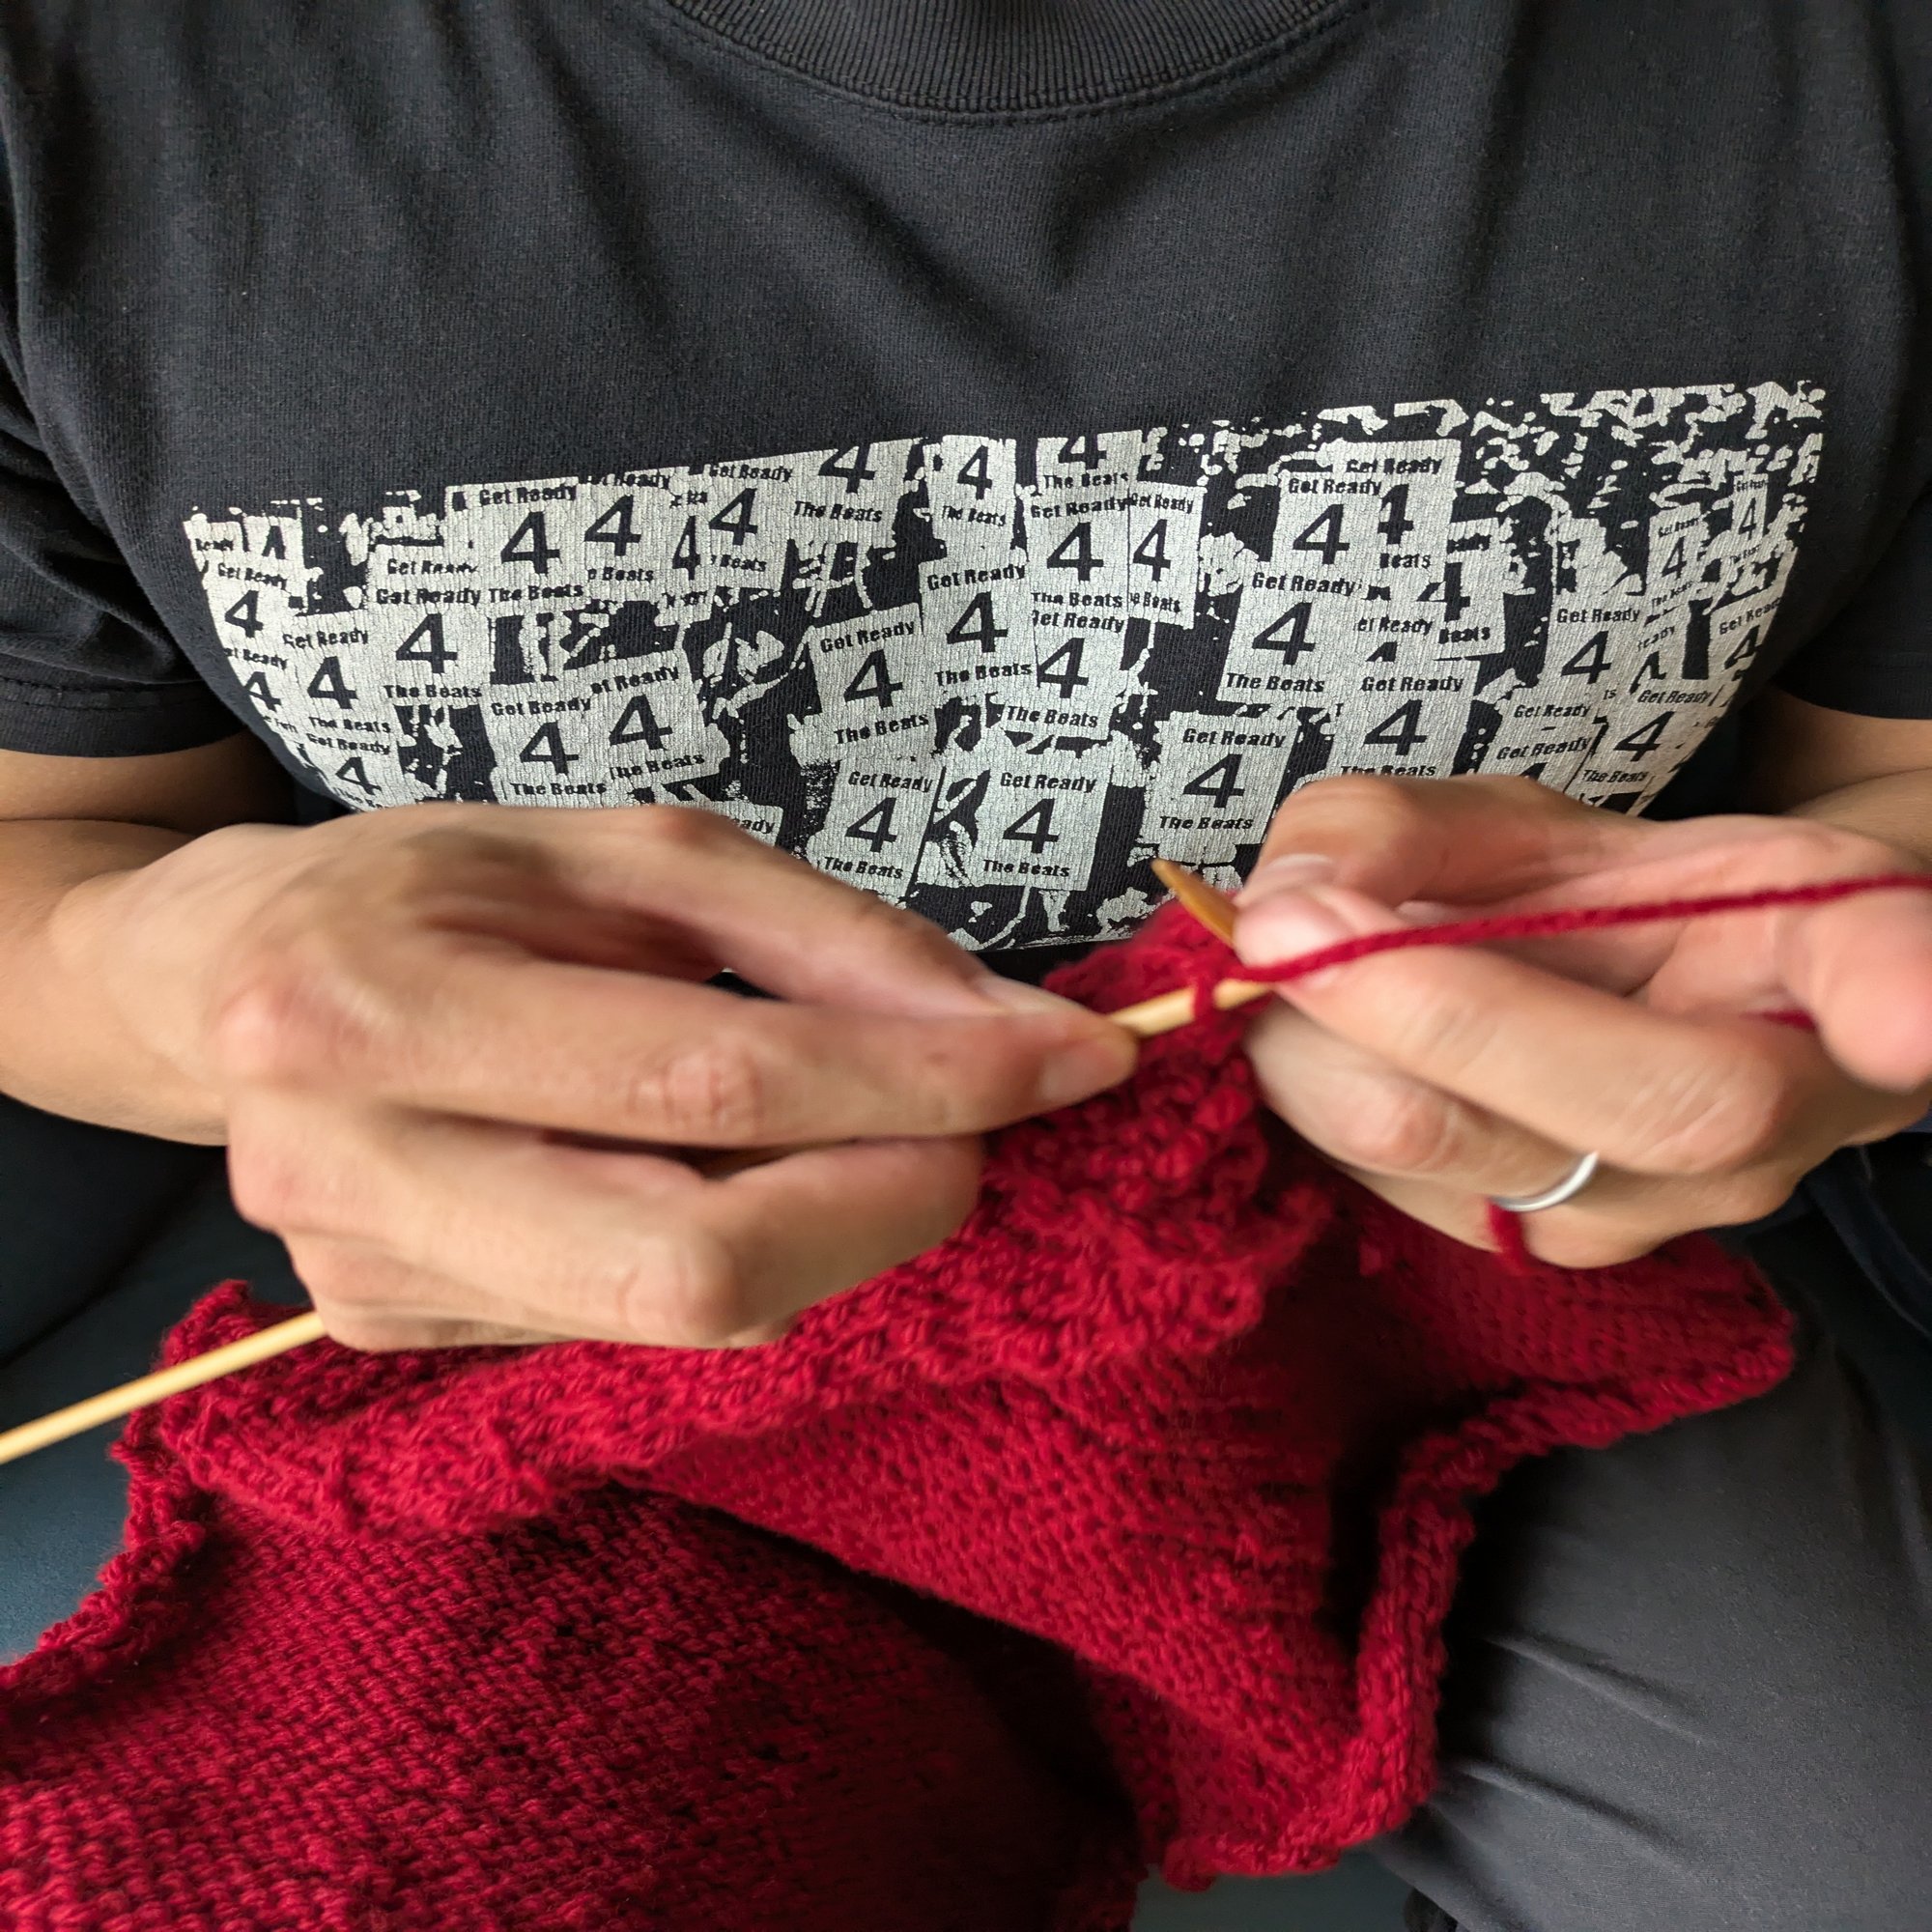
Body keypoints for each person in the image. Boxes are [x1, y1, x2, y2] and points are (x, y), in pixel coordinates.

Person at [1, 3, 1929, 1926]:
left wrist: (1829, 977)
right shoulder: (79, 95)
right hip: (547, 1321)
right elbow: (45, 847)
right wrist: (178, 979)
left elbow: (1894, 796)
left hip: (1464, 1278)